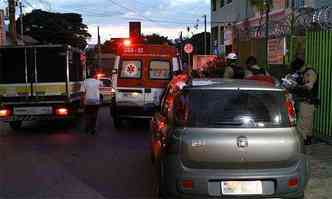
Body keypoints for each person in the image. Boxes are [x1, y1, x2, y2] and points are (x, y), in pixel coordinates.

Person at [290, 58, 319, 145]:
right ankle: (308, 140)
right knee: (307, 122)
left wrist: (296, 86)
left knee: (302, 123)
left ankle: (304, 140)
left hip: (308, 101)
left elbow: (309, 86)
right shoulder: (303, 73)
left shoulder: (310, 72)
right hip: (304, 101)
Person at [81, 70, 103, 134]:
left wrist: (82, 101)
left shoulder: (85, 81)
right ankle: (93, 128)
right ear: (94, 75)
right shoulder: (98, 81)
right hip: (96, 101)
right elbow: (102, 85)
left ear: (89, 74)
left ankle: (87, 128)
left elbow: (82, 92)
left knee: (87, 115)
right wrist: (98, 79)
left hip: (87, 101)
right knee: (94, 115)